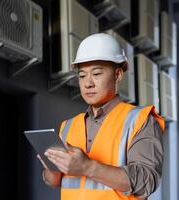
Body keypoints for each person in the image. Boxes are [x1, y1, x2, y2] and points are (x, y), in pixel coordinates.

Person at [37, 33, 165, 200]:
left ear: (118, 74)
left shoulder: (140, 120)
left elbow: (147, 181)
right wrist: (51, 174)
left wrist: (88, 167)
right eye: (82, 75)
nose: (88, 83)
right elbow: (63, 181)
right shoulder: (68, 126)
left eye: (96, 74)